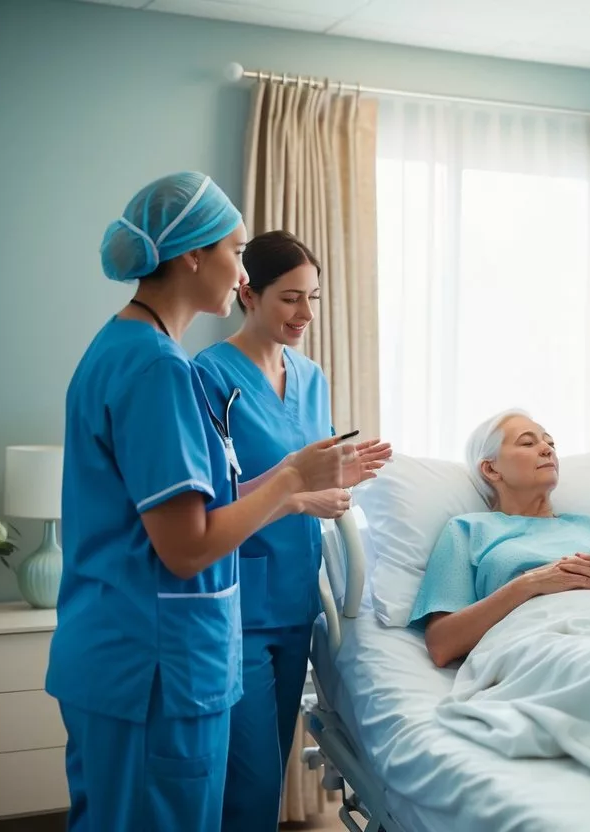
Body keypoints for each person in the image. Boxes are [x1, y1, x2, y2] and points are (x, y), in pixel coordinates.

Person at [46, 172, 356, 832]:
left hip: (131, 655)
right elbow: (186, 548)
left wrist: (295, 493)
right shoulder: (160, 368)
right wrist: (292, 478)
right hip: (155, 665)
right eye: (236, 251)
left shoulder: (126, 349)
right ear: (193, 256)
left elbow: (188, 512)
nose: (240, 269)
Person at [193, 230, 392, 832]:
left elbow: (311, 479)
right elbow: (208, 502)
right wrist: (295, 490)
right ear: (247, 294)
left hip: (296, 600)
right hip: (239, 603)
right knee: (248, 784)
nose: (306, 314)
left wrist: (343, 477)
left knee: (268, 772)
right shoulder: (209, 377)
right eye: (289, 299)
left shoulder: (312, 377)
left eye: (313, 298)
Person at [410, 410, 590, 668]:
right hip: (547, 649)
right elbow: (442, 645)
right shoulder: (469, 531)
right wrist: (532, 584)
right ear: (491, 469)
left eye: (550, 443)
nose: (547, 449)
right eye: (527, 443)